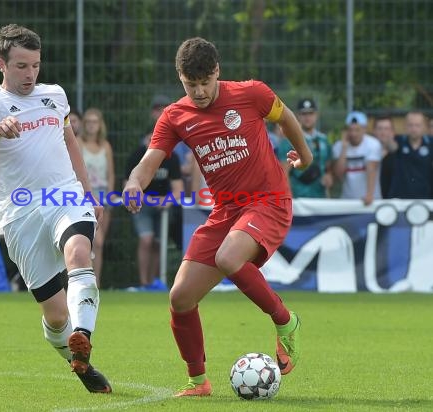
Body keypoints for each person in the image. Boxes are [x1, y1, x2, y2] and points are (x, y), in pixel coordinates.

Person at [123, 37, 310, 396]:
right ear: (180, 78)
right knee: (179, 298)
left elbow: (286, 117)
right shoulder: (175, 116)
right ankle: (198, 382)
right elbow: (149, 162)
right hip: (226, 211)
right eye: (191, 84)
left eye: (205, 82)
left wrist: (305, 156)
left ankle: (286, 322)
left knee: (228, 257)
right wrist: (134, 182)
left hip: (268, 200)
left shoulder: (251, 93)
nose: (199, 91)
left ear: (217, 72)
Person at [0, 24, 111, 393]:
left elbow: (70, 141)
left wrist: (88, 192)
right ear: (2, 64)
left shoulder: (55, 95)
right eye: (20, 66)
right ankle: (79, 362)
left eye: (35, 65)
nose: (30, 74)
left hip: (63, 195)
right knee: (55, 313)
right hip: (19, 213)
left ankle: (83, 333)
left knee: (79, 252)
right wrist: (0, 129)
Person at [125, 131, 183, 291]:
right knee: (146, 240)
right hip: (142, 204)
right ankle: (144, 283)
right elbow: (128, 186)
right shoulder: (136, 156)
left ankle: (155, 282)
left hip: (163, 207)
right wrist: (148, 200)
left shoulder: (172, 158)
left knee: (158, 243)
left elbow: (178, 189)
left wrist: (166, 201)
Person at [77, 107, 115, 286]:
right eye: (89, 122)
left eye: (95, 122)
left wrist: (110, 197)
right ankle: (82, 282)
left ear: (100, 125)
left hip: (103, 197)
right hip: (83, 196)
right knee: (90, 241)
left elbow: (111, 174)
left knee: (98, 244)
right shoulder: (78, 142)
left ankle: (96, 283)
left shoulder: (105, 145)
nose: (92, 126)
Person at [278, 99, 333, 198]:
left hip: (320, 197)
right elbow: (283, 172)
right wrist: (289, 198)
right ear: (298, 116)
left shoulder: (324, 140)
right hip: (299, 198)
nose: (307, 117)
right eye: (304, 114)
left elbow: (327, 167)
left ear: (316, 115)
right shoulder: (289, 141)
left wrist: (328, 176)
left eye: (311, 113)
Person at [332, 111, 382, 205]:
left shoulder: (373, 144)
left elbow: (372, 169)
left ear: (364, 129)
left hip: (370, 200)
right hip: (347, 201)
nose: (353, 134)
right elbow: (338, 175)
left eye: (357, 130)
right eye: (350, 130)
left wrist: (369, 195)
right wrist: (344, 148)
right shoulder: (339, 146)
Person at [381, 111, 433, 199]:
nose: (414, 128)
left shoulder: (430, 142)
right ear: (405, 126)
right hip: (401, 198)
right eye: (410, 125)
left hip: (425, 197)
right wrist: (388, 136)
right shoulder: (399, 140)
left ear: (424, 127)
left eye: (417, 125)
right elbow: (391, 147)